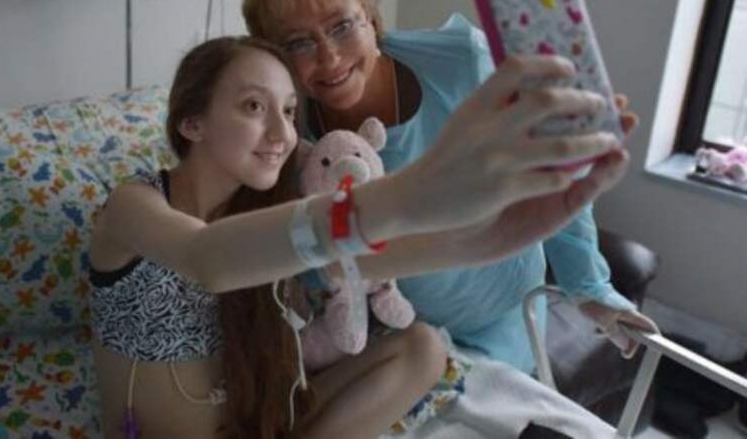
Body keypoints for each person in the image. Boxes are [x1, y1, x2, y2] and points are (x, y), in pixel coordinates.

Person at [88, 35, 627, 439]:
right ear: (192, 123)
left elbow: (364, 260)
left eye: (290, 111)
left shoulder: (270, 206)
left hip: (262, 424)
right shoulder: (133, 208)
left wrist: (492, 238)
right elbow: (206, 258)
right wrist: (407, 195)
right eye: (254, 106)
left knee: (423, 346)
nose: (281, 134)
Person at [242, 0, 657, 374]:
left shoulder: (464, 65)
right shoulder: (285, 134)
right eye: (298, 43)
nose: (328, 57)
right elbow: (310, 256)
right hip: (395, 336)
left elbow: (552, 169)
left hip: (500, 316)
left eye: (342, 26)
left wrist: (590, 288)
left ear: (372, 17)